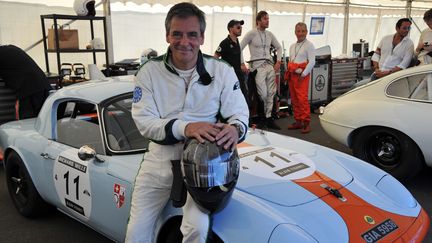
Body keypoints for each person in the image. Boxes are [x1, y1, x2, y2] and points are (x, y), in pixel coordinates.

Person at [127, 2, 249, 243]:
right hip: (158, 161)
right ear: (167, 35)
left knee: (196, 229)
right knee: (137, 232)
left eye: (192, 34)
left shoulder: (222, 70)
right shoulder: (148, 72)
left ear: (202, 37)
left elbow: (239, 114)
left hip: (205, 165)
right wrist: (186, 127)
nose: (185, 42)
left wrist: (236, 129)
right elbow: (144, 121)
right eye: (177, 34)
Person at [240, 10, 282, 130]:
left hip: (269, 65)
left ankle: (269, 118)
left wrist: (278, 61)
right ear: (258, 21)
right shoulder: (251, 33)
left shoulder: (269, 34)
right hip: (257, 66)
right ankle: (262, 118)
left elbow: (279, 47)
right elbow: (240, 47)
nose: (267, 21)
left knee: (271, 93)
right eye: (265, 19)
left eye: (268, 19)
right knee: (262, 94)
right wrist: (242, 63)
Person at [0, 44, 52, 119]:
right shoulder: (9, 49)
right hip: (42, 86)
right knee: (42, 121)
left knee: (27, 124)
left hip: (29, 91)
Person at [284, 22, 315, 134]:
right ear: (295, 32)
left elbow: (312, 61)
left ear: (306, 32)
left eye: (303, 31)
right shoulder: (292, 46)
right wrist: (292, 69)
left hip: (302, 76)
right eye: (298, 31)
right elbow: (291, 61)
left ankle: (306, 123)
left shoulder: (309, 45)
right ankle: (298, 121)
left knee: (302, 99)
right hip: (293, 75)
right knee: (295, 99)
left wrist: (303, 74)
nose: (300, 33)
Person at [214, 19, 249, 99]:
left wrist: (242, 65)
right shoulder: (224, 43)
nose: (240, 29)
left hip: (239, 75)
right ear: (230, 29)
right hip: (228, 77)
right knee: (230, 99)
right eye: (238, 27)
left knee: (243, 98)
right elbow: (215, 58)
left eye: (241, 27)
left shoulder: (237, 42)